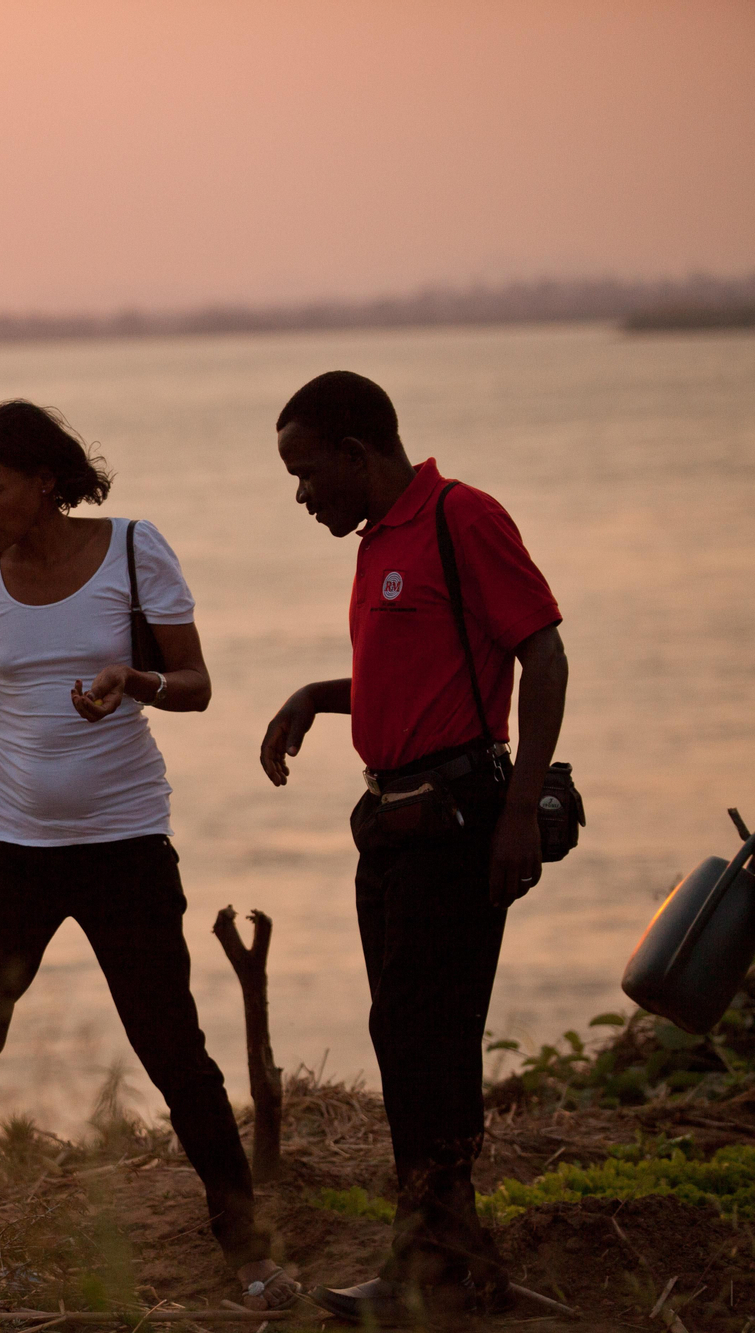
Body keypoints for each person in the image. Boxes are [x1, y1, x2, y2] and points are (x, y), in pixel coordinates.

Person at [0, 399, 294, 1310]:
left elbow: (199, 685)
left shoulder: (134, 550)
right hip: (14, 850)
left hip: (127, 846)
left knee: (172, 1047)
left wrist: (135, 680)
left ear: (45, 482)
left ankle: (248, 1251)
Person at [259, 371, 567, 1323]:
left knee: (422, 1035)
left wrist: (519, 813)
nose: (302, 495)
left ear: (358, 455)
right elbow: (411, 676)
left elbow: (542, 654)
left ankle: (430, 1267)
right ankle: (449, 1254)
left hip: (460, 822)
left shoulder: (460, 516)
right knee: (408, 1035)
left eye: (309, 474)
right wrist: (320, 692)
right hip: (388, 827)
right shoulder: (377, 543)